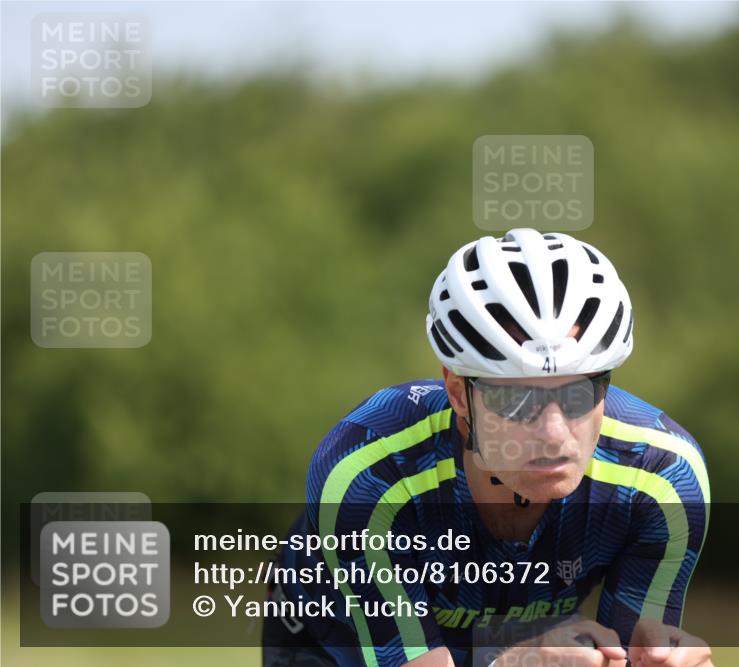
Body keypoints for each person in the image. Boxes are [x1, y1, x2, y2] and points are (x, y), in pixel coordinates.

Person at [263, 228, 712, 667]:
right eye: (515, 400)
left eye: (579, 394)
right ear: (458, 393)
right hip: (330, 638)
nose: (554, 434)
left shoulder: (663, 477)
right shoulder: (369, 472)